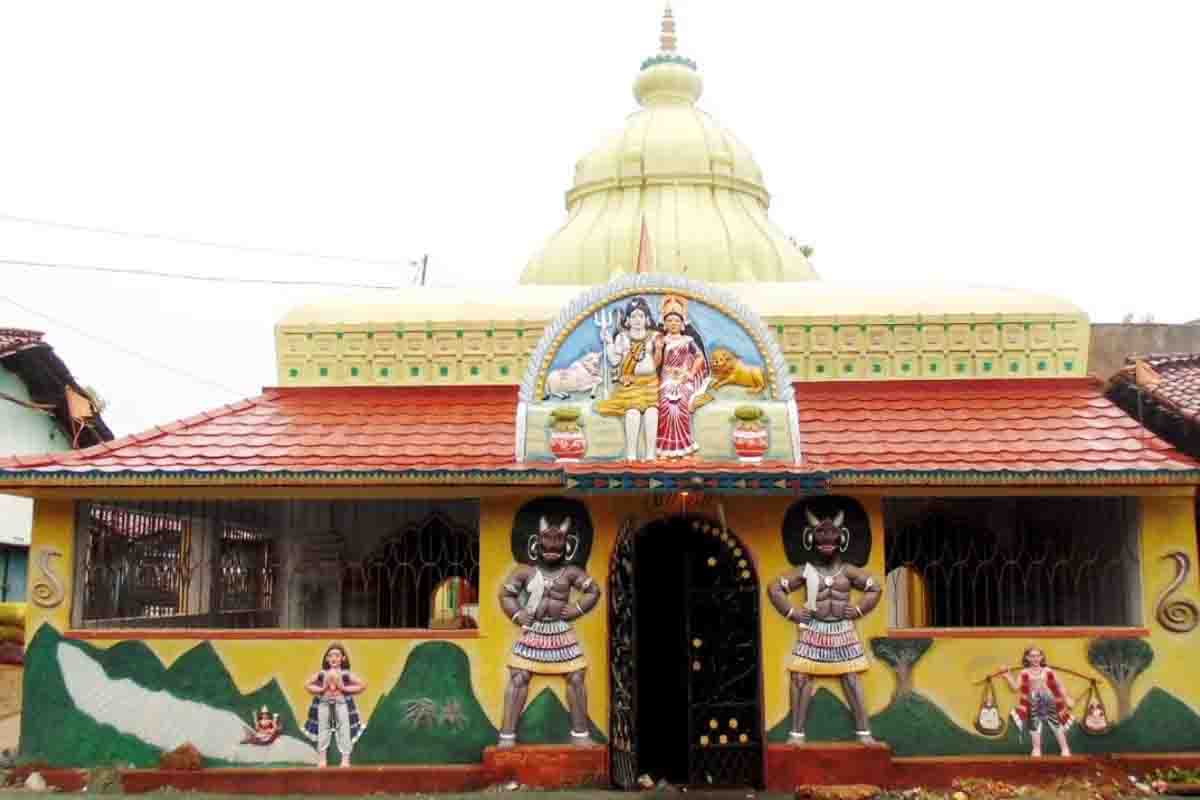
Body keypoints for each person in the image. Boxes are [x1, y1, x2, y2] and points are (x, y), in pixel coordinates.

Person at [768, 510, 882, 745]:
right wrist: (792, 613)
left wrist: (859, 610)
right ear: (810, 539)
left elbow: (875, 588)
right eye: (821, 538)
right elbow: (774, 588)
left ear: (843, 539)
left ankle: (864, 733)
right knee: (800, 677)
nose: (827, 544)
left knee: (851, 678)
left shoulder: (848, 571)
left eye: (832, 538)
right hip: (813, 630)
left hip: (843, 630)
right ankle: (796, 734)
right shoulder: (806, 570)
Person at [497, 514, 601, 747]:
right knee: (518, 677)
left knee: (576, 677)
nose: (552, 549)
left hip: (560, 631)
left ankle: (581, 735)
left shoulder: (571, 573)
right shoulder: (524, 572)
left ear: (568, 546)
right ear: (536, 544)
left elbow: (593, 591)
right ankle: (507, 736)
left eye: (557, 545)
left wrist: (577, 609)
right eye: (547, 544)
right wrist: (517, 614)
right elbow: (505, 595)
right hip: (533, 631)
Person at [595, 296, 661, 461]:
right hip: (629, 385)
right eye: (633, 316)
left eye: (641, 316)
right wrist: (608, 343)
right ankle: (631, 454)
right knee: (632, 413)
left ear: (647, 319)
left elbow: (661, 360)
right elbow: (614, 361)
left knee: (652, 412)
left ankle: (650, 454)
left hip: (651, 385)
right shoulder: (622, 338)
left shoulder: (655, 336)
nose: (637, 320)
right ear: (627, 320)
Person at [654, 294, 709, 458]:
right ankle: (665, 447)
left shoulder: (688, 340)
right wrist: (658, 349)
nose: (673, 323)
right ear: (664, 323)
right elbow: (656, 364)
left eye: (676, 320)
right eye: (670, 320)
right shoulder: (661, 340)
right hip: (666, 379)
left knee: (681, 405)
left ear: (682, 323)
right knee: (665, 406)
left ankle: (685, 446)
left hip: (683, 378)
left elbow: (699, 357)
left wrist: (690, 373)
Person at [1000, 646, 1074, 757]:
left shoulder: (1047, 671)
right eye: (1032, 656)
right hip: (1033, 701)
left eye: (1038, 656)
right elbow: (1015, 687)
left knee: (1056, 724)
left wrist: (1067, 698)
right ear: (1027, 658)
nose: (1035, 658)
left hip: (1048, 699)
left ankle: (1065, 748)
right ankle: (1036, 749)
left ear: (1042, 657)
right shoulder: (1024, 672)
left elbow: (1059, 685)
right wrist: (1008, 676)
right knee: (1034, 726)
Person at [304, 643, 367, 767]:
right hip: (324, 704)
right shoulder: (322, 674)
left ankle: (345, 759)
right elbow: (307, 685)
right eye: (331, 655)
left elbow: (362, 685)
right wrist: (322, 689)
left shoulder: (345, 674)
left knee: (344, 730)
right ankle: (322, 759)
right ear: (327, 658)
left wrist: (344, 688)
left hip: (341, 703)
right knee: (323, 730)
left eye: (337, 655)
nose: (334, 658)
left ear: (343, 658)